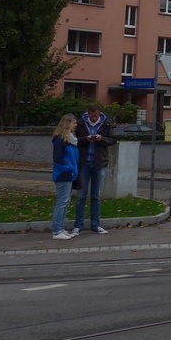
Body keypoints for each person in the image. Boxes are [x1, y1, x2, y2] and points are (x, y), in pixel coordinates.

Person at [72, 102, 116, 236]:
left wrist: (101, 139)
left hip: (99, 163)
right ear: (88, 114)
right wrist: (86, 139)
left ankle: (96, 225)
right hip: (84, 163)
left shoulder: (106, 123)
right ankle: (77, 226)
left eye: (95, 117)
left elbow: (113, 139)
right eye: (91, 117)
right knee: (81, 196)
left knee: (96, 196)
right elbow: (75, 140)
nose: (93, 119)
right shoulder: (80, 123)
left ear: (99, 114)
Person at [50, 114, 79, 241]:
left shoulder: (70, 139)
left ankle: (60, 228)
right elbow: (58, 158)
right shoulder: (60, 139)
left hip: (69, 174)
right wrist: (69, 168)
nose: (76, 125)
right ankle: (57, 230)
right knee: (62, 202)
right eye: (74, 123)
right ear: (68, 124)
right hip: (64, 174)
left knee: (65, 202)